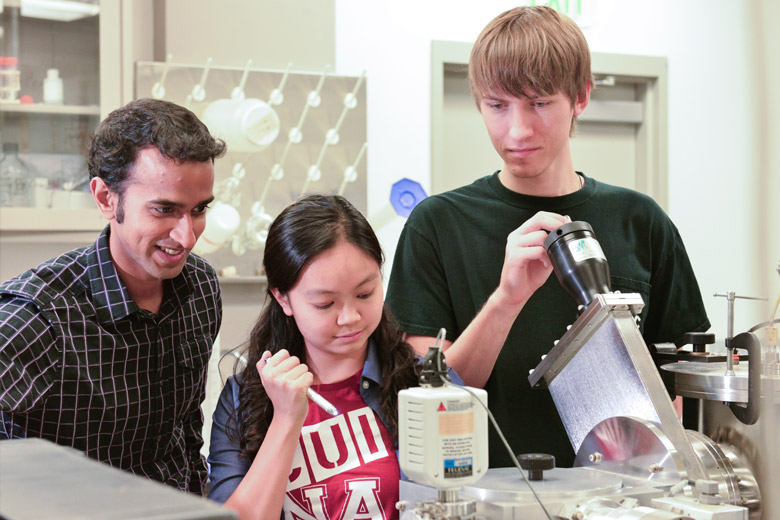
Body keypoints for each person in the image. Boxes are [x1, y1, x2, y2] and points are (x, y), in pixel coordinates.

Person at [386, 5, 710, 469]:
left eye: (539, 103)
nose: (517, 130)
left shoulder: (641, 222)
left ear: (580, 96)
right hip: (478, 497)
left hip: (622, 502)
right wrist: (506, 300)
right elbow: (423, 396)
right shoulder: (437, 225)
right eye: (497, 106)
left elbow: (679, 391)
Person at [0, 98, 227, 493]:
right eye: (164, 210)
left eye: (199, 210)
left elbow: (188, 428)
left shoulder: (201, 288)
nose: (186, 236)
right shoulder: (35, 318)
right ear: (106, 198)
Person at [207, 194, 462, 520]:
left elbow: (461, 501)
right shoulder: (244, 398)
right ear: (283, 299)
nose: (350, 317)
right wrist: (286, 418)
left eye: (365, 293)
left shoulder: (427, 384)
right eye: (325, 304)